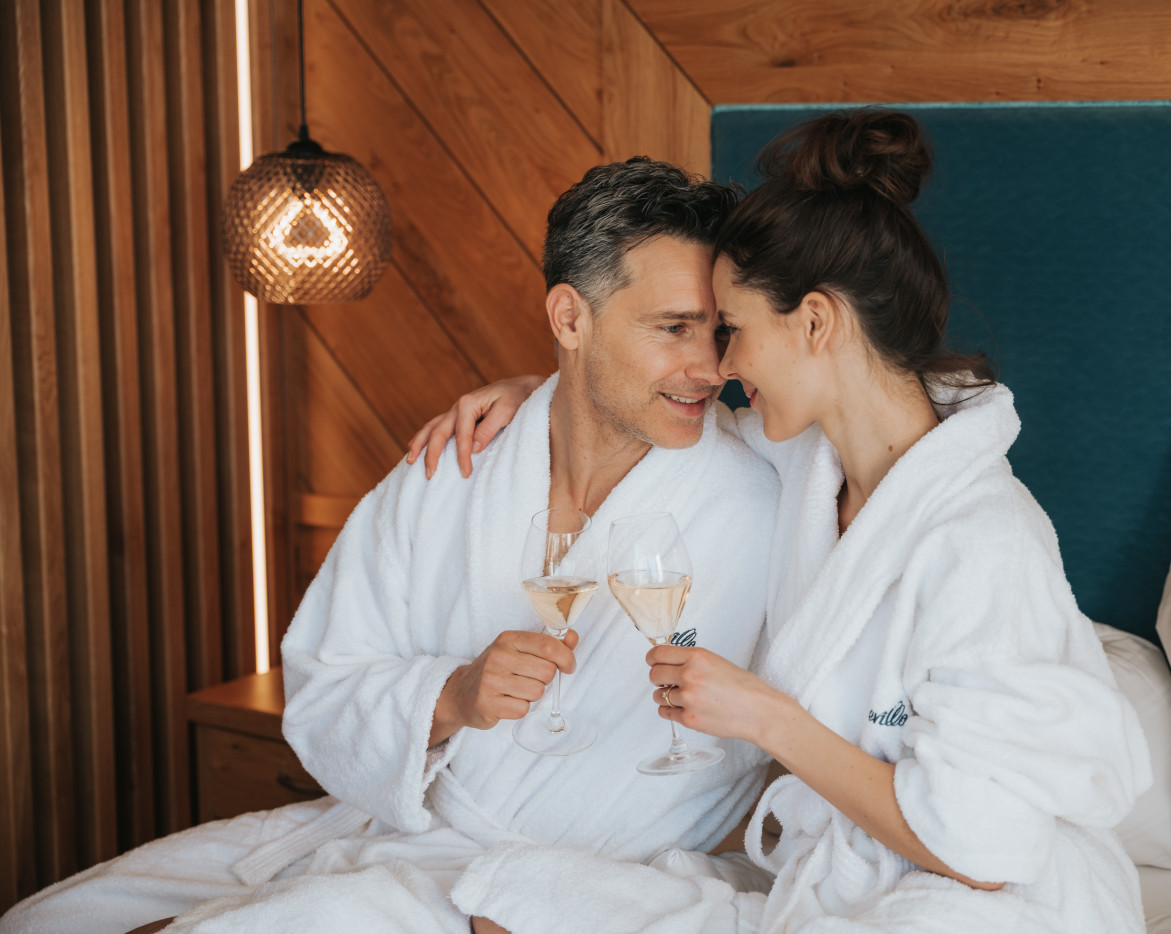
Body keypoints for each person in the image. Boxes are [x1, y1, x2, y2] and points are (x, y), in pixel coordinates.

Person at [405, 110, 1152, 933]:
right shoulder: (809, 467)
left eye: (733, 330)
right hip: (840, 871)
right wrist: (545, 391)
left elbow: (982, 849)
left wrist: (763, 717)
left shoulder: (985, 542)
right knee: (513, 905)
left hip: (983, 901)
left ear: (817, 322)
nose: (720, 366)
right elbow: (665, 416)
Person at [0, 158, 780, 934]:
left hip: (579, 888)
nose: (710, 368)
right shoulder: (455, 470)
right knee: (57, 919)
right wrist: (452, 696)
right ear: (570, 319)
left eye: (720, 331)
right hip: (407, 836)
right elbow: (324, 683)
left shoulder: (769, 490)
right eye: (674, 328)